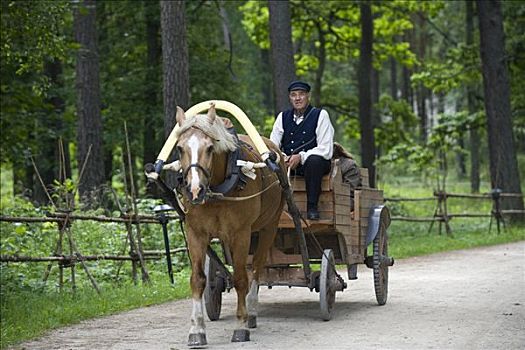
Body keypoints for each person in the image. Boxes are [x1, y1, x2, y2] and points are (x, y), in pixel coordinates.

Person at [270, 80, 335, 220]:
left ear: (308, 96)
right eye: (293, 95)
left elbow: (326, 149)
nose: (297, 98)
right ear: (290, 98)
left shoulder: (320, 115)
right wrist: (282, 157)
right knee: (268, 162)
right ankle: (272, 209)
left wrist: (301, 157)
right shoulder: (282, 117)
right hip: (288, 164)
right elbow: (272, 145)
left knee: (314, 161)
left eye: (301, 94)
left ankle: (312, 208)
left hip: (313, 166)